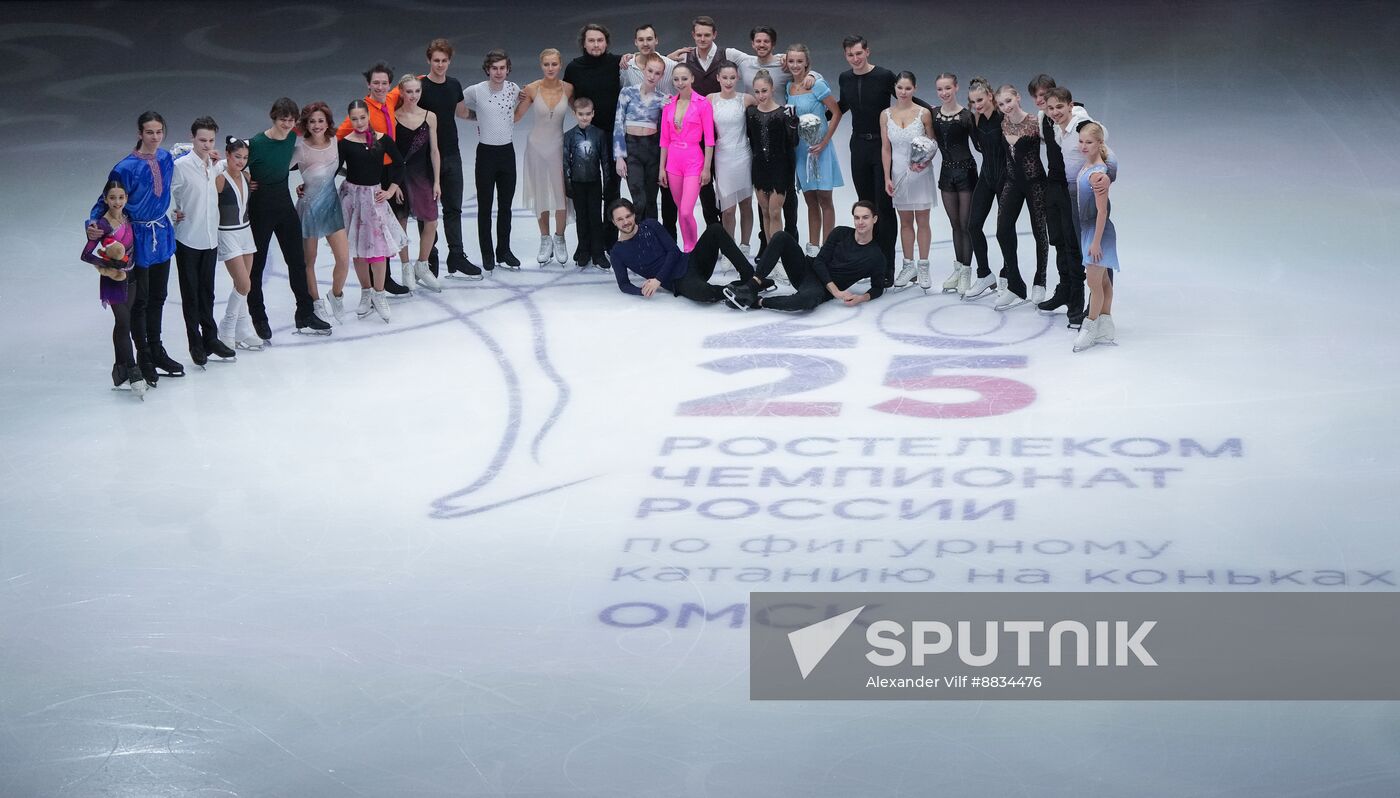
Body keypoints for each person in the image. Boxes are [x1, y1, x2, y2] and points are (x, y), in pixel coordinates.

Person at [86, 111, 182, 380]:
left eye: (159, 132)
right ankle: (145, 355)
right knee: (140, 301)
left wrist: (212, 158)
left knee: (159, 297)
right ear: (140, 134)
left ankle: (157, 349)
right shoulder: (124, 168)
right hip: (137, 237)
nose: (155, 137)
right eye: (149, 132)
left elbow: (187, 154)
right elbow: (105, 200)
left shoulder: (165, 157)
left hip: (161, 233)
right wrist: (94, 225)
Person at [838, 35, 932, 284]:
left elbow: (905, 98)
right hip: (857, 145)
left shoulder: (883, 76)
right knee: (865, 206)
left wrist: (932, 112)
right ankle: (866, 262)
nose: (855, 59)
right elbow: (842, 105)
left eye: (859, 53)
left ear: (867, 51)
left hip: (881, 146)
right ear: (846, 56)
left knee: (884, 208)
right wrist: (817, 114)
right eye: (850, 55)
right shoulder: (844, 78)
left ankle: (887, 267)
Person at [248, 97, 335, 337]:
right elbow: (233, 162)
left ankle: (305, 313)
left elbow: (315, 133)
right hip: (260, 208)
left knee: (297, 262)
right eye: (282, 120)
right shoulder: (256, 143)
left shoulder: (291, 139)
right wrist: (245, 180)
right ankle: (258, 316)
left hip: (284, 205)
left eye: (290, 120)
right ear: (273, 117)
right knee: (257, 266)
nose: (287, 124)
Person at [1037, 79, 1116, 328]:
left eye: (1060, 107)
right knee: (1085, 248)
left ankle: (1101, 312)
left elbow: (1108, 154)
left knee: (1097, 250)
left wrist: (1108, 176)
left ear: (1071, 105)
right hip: (1074, 192)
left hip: (1087, 192)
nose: (1055, 112)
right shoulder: (1059, 127)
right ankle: (1094, 308)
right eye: (1050, 108)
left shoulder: (1081, 125)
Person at [334, 64, 411, 294]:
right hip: (369, 176)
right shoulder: (361, 112)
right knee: (370, 230)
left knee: (393, 224)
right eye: (375, 83)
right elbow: (335, 140)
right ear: (368, 84)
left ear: (389, 85)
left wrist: (433, 72)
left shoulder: (391, 97)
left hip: (390, 173)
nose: (379, 87)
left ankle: (387, 277)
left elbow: (412, 82)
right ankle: (376, 284)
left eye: (384, 83)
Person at [736, 200, 886, 312]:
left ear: (875, 219)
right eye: (857, 217)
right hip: (806, 269)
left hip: (818, 288)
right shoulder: (840, 233)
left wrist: (861, 298)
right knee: (781, 236)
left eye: (865, 217)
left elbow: (878, 287)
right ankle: (752, 286)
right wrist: (836, 292)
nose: (860, 222)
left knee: (805, 301)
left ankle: (758, 302)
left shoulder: (875, 256)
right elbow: (819, 262)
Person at [170, 116, 237, 366]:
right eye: (202, 140)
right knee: (191, 295)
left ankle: (211, 339)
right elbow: (169, 193)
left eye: (210, 140)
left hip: (210, 239)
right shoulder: (181, 166)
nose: (207, 145)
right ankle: (195, 343)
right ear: (192, 138)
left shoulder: (215, 165)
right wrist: (172, 212)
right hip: (188, 239)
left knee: (207, 292)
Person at [606, 198, 760, 303]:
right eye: (620, 219)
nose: (626, 222)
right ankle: (741, 291)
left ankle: (751, 278)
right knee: (705, 293)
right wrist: (642, 291)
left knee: (715, 229)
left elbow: (673, 252)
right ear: (613, 222)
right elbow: (623, 284)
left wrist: (657, 280)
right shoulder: (617, 253)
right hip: (679, 282)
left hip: (692, 261)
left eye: (628, 216)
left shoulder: (651, 225)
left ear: (634, 215)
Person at [418, 39, 480, 280]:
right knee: (427, 212)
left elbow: (462, 112)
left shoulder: (454, 84)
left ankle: (456, 255)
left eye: (444, 61)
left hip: (451, 154)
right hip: (424, 157)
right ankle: (429, 258)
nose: (440, 65)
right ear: (429, 60)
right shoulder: (420, 87)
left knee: (453, 208)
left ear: (449, 61)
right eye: (436, 60)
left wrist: (489, 116)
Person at [339, 100, 406, 322]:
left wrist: (391, 189)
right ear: (350, 119)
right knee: (358, 250)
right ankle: (365, 292)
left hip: (375, 198)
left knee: (378, 250)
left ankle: (379, 294)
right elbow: (332, 168)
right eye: (354, 119)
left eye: (362, 117)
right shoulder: (345, 143)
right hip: (352, 199)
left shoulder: (382, 139)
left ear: (368, 116)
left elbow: (399, 163)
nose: (359, 122)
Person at [563, 24, 627, 254]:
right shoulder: (574, 67)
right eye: (591, 40)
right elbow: (570, 97)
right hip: (587, 136)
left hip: (612, 134)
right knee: (586, 190)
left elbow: (646, 63)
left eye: (600, 40)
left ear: (607, 42)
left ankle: (607, 241)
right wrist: (584, 118)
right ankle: (586, 243)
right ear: (584, 43)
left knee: (611, 188)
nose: (596, 44)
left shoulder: (618, 62)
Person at [81, 180, 147, 396]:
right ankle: (132, 369)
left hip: (132, 275)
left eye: (120, 197)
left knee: (123, 325)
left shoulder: (128, 217)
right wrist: (108, 263)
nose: (117, 202)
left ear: (126, 198)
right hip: (113, 280)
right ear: (105, 199)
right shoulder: (102, 225)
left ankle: (119, 372)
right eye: (112, 198)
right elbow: (86, 254)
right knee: (123, 321)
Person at [463, 48, 523, 271]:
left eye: (502, 68)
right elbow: (458, 107)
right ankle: (487, 254)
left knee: (505, 206)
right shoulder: (476, 91)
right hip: (486, 154)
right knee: (485, 207)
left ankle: (504, 251)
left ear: (508, 69)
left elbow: (521, 105)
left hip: (507, 153)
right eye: (494, 68)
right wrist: (475, 118)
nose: (498, 72)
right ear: (487, 69)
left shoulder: (513, 89)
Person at [292, 101, 352, 323]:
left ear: (328, 122)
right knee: (310, 261)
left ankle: (335, 295)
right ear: (306, 124)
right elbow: (279, 169)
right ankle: (316, 302)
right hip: (309, 210)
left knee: (344, 259)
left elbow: (348, 168)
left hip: (332, 207)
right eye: (312, 121)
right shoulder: (300, 149)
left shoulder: (337, 143)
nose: (317, 125)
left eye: (321, 120)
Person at [993, 84, 1049, 311]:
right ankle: (1015, 284)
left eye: (1009, 101)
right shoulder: (1003, 122)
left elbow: (1056, 143)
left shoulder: (1036, 121)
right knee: (1002, 229)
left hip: (1035, 183)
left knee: (1039, 231)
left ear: (1017, 97)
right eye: (1001, 104)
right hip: (1012, 182)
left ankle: (1040, 280)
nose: (1006, 107)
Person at [517, 48, 573, 266]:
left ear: (560, 65)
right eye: (546, 64)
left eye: (554, 64)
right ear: (541, 66)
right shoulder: (531, 89)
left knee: (561, 194)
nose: (550, 68)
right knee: (541, 194)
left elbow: (581, 111)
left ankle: (560, 238)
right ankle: (545, 239)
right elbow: (516, 116)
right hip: (536, 148)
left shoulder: (568, 88)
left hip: (559, 147)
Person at [786, 44, 843, 253]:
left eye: (799, 61)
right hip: (801, 150)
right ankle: (813, 247)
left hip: (821, 148)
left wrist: (825, 142)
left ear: (806, 63)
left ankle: (828, 248)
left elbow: (836, 113)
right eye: (791, 61)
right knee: (810, 199)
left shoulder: (817, 85)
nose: (795, 65)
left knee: (825, 199)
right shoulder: (788, 88)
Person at [881, 71, 936, 291]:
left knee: (922, 220)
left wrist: (923, 162)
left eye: (908, 88)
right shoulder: (885, 114)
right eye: (900, 88)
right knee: (904, 221)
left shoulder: (924, 113)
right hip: (898, 173)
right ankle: (908, 265)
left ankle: (923, 266)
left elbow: (932, 143)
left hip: (921, 173)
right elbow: (886, 148)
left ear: (914, 89)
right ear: (894, 88)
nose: (903, 92)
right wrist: (887, 176)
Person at [615, 52, 677, 241]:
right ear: (644, 70)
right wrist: (619, 156)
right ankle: (635, 240)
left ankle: (652, 242)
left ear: (661, 76)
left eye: (657, 73)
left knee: (651, 201)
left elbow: (670, 128)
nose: (652, 76)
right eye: (650, 71)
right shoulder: (627, 93)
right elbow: (618, 124)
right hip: (632, 149)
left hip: (652, 151)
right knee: (639, 200)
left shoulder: (663, 99)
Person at [391, 75, 444, 292]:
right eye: (409, 92)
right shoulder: (393, 118)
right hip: (400, 176)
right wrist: (393, 184)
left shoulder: (430, 117)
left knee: (431, 221)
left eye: (417, 91)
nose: (413, 96)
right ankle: (405, 267)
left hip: (422, 175)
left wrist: (437, 181)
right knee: (401, 222)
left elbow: (434, 150)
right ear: (401, 93)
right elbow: (391, 153)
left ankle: (422, 265)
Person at [931, 73, 980, 294]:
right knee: (954, 225)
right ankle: (959, 268)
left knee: (965, 224)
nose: (944, 93)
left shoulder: (967, 116)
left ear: (956, 88)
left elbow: (979, 145)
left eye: (948, 88)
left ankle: (967, 272)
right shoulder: (933, 114)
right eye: (940, 89)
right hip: (946, 173)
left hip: (966, 172)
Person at [215, 137, 265, 353]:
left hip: (246, 232)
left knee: (243, 285)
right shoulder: (220, 179)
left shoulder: (247, 176)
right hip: (227, 234)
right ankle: (226, 327)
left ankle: (243, 329)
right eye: (237, 157)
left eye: (245, 157)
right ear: (228, 155)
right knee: (244, 284)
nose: (241, 161)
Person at [1072, 122, 1119, 352]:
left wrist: (1096, 241)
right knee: (1102, 281)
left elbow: (1102, 211)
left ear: (1099, 143)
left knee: (1094, 283)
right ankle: (1106, 324)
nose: (1083, 146)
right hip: (1090, 229)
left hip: (1097, 231)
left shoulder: (1097, 174)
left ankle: (1090, 327)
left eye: (1088, 142)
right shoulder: (1089, 165)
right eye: (1081, 141)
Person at [659, 63, 715, 253]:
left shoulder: (703, 104)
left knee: (685, 210)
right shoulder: (669, 105)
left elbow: (709, 139)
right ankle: (687, 248)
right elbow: (664, 140)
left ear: (692, 79)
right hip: (673, 162)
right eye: (676, 79)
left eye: (684, 78)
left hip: (694, 161)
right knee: (680, 211)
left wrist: (706, 168)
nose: (680, 83)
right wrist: (661, 168)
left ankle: (693, 247)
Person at [745, 69, 798, 270]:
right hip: (759, 168)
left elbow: (793, 143)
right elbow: (751, 138)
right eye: (757, 92)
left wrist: (793, 126)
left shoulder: (784, 112)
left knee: (776, 212)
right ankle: (770, 258)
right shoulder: (751, 113)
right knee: (765, 211)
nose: (761, 95)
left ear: (772, 88)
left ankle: (779, 258)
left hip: (780, 168)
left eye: (764, 91)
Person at [962, 77, 1004, 301]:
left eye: (980, 99)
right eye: (973, 101)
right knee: (973, 225)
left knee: (1004, 231)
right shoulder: (975, 120)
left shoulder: (1004, 117)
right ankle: (985, 274)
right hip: (986, 177)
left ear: (990, 96)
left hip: (1007, 180)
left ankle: (1008, 279)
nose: (977, 104)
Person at [711, 61, 755, 261]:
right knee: (728, 209)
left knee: (746, 203)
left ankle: (745, 246)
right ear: (718, 78)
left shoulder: (745, 99)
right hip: (722, 157)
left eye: (732, 77)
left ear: (738, 78)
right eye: (724, 77)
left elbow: (769, 105)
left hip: (743, 155)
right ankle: (729, 250)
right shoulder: (709, 99)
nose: (728, 81)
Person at [562, 97, 612, 268]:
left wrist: (607, 183)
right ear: (574, 114)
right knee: (582, 218)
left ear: (593, 114)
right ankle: (584, 250)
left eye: (588, 114)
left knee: (595, 218)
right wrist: (568, 184)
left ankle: (598, 253)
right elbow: (565, 162)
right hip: (577, 183)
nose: (584, 117)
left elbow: (605, 160)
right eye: (581, 114)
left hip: (594, 183)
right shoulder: (568, 136)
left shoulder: (599, 134)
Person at [622, 23, 678, 94]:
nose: (645, 44)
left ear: (656, 40)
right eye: (641, 40)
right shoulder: (627, 66)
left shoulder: (672, 66)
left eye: (649, 39)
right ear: (636, 42)